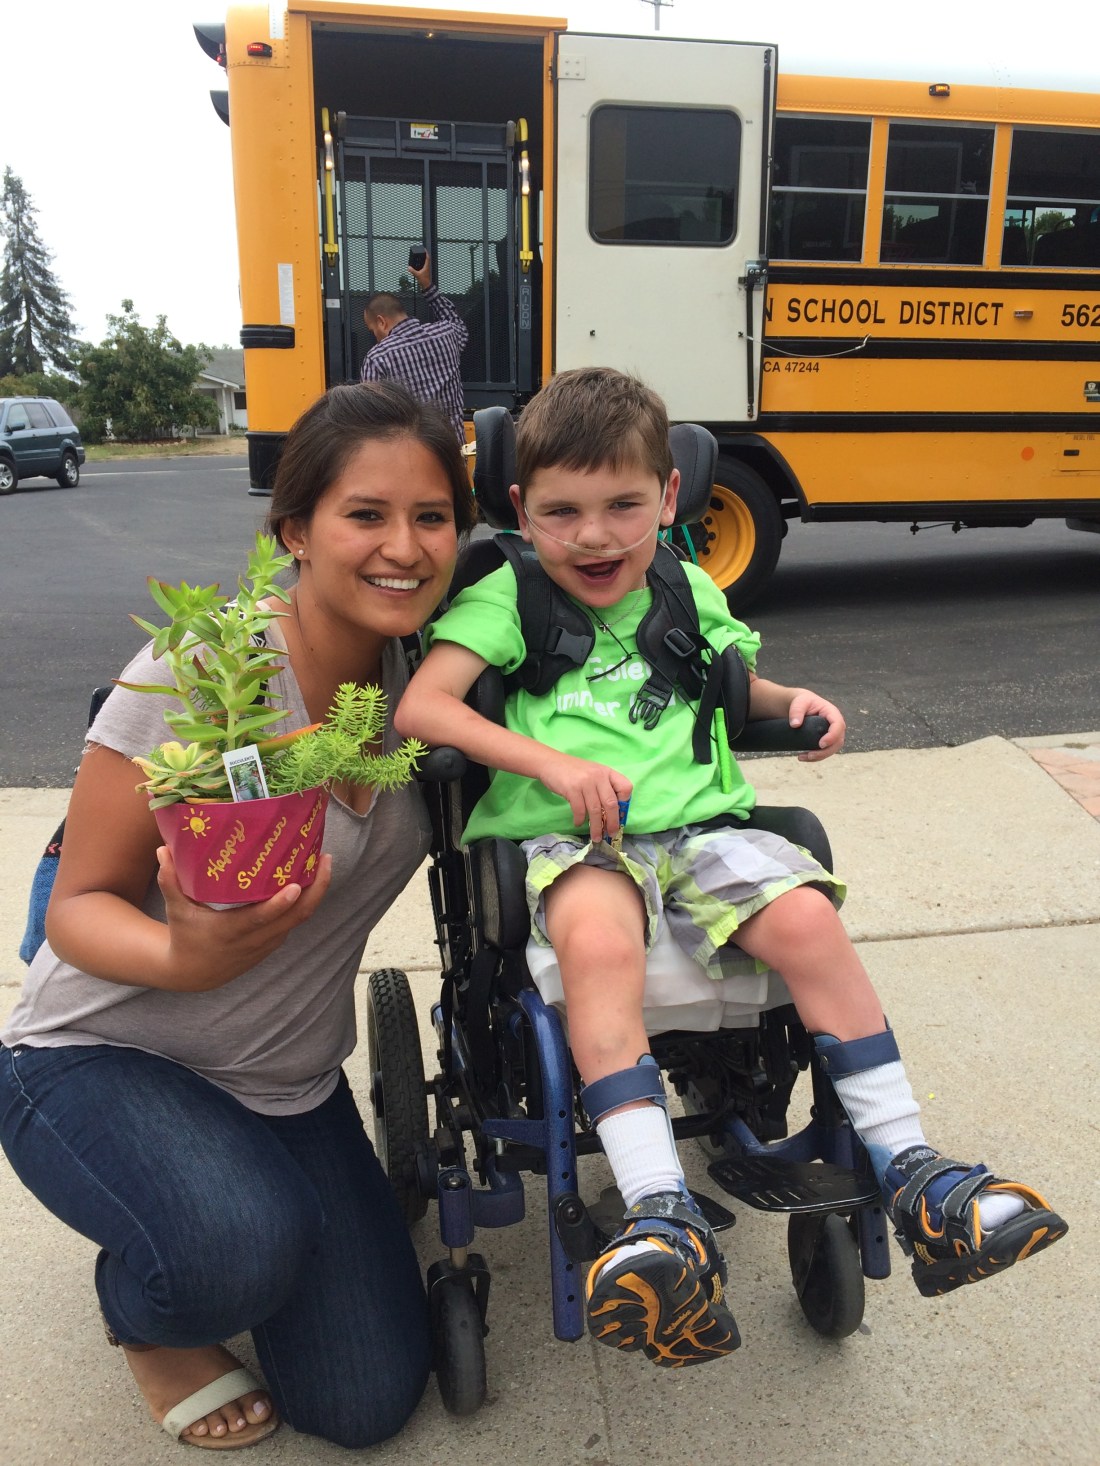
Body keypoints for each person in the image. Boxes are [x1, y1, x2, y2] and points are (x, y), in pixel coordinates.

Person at [395, 366, 1067, 1369]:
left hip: (701, 830)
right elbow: (424, 707)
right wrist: (549, 763)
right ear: (520, 509)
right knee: (596, 940)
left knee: (808, 919)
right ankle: (658, 1208)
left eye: (623, 506)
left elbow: (730, 682)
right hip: (578, 839)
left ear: (669, 497)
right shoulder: (506, 595)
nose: (593, 536)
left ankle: (912, 1170)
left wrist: (794, 702)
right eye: (562, 513)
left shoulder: (687, 584)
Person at [0, 380, 476, 1449]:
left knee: (361, 1402)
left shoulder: (431, 687)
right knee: (233, 1251)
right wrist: (188, 956)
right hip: (103, 1052)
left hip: (284, 1083)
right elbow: (76, 906)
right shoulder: (207, 671)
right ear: (295, 530)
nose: (404, 547)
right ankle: (145, 1308)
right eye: (366, 514)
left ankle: (228, 1210)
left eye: (432, 516)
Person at [361, 251, 469, 444]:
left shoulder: (377, 357)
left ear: (381, 322)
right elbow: (455, 321)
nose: (375, 337)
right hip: (453, 450)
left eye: (372, 330)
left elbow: (372, 418)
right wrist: (426, 284)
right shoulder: (447, 333)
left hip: (410, 456)